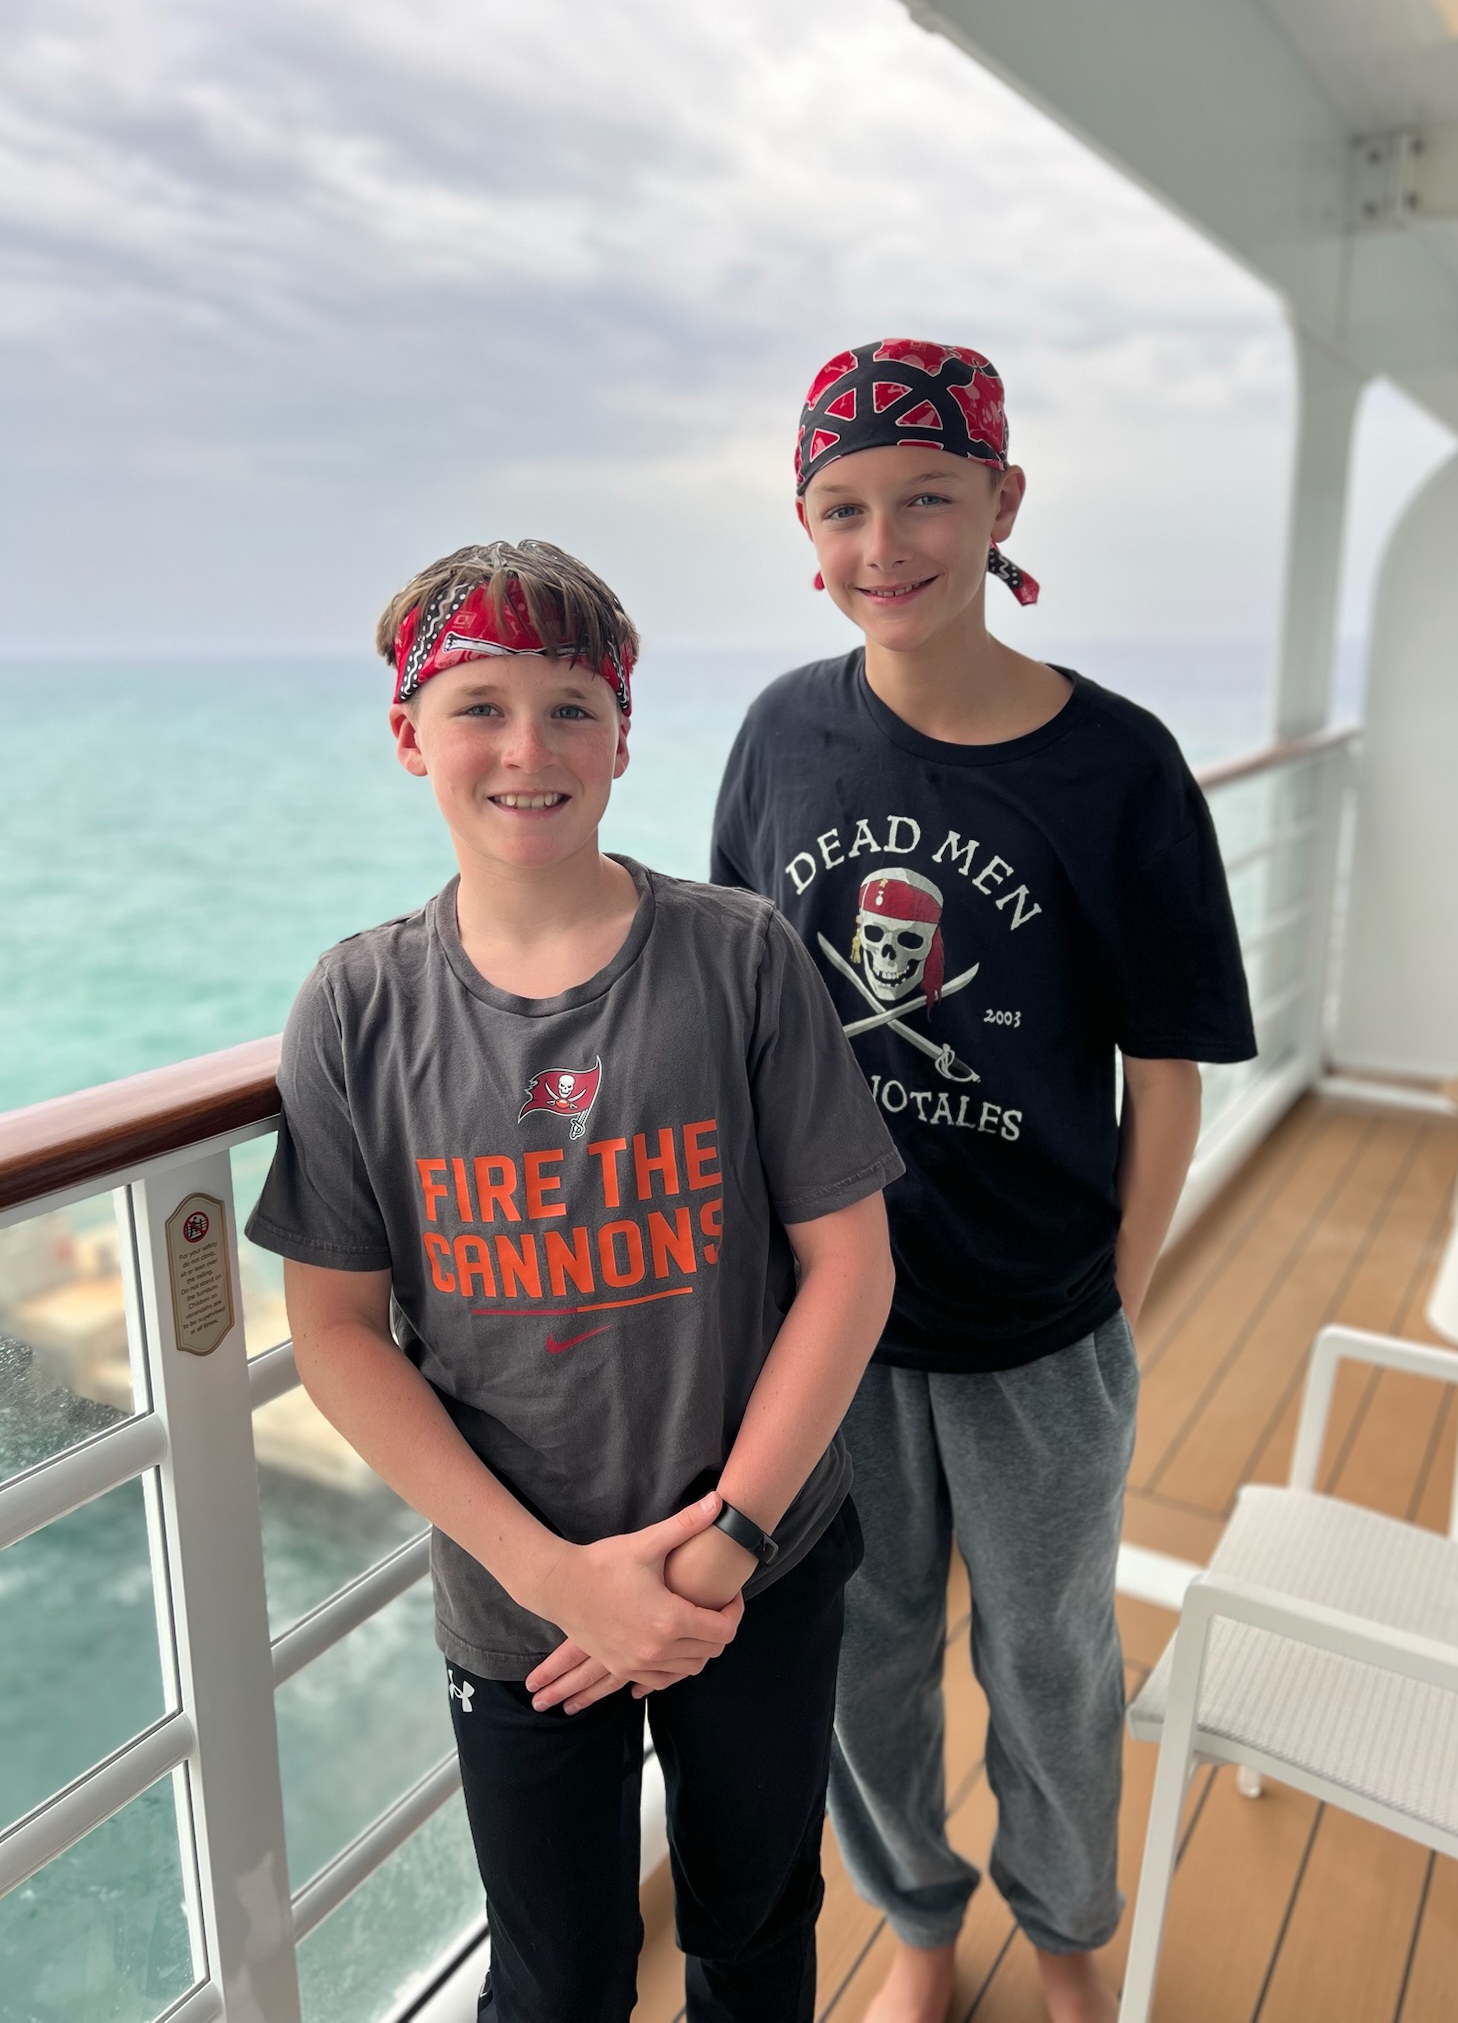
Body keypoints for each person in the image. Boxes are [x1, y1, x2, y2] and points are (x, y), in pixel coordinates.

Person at [246, 538, 902, 2023]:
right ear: (411, 735)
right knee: (553, 1980)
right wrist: (557, 1583)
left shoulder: (738, 958)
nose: (526, 749)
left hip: (755, 1570)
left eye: (568, 708)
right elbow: (338, 1333)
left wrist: (725, 1544)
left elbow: (849, 1263)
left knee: (756, 1921)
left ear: (621, 735)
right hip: (517, 1608)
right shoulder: (358, 1007)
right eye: (479, 706)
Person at [710, 341, 1256, 2023]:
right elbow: (739, 1016)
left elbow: (1165, 1071)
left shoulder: (1120, 766)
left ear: (1003, 501)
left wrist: (1117, 1301)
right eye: (844, 508)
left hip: (1043, 1330)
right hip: (835, 1328)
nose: (884, 545)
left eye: (927, 498)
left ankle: (1070, 1935)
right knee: (861, 1664)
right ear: (807, 530)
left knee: (1053, 1663)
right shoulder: (782, 734)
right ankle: (923, 1933)